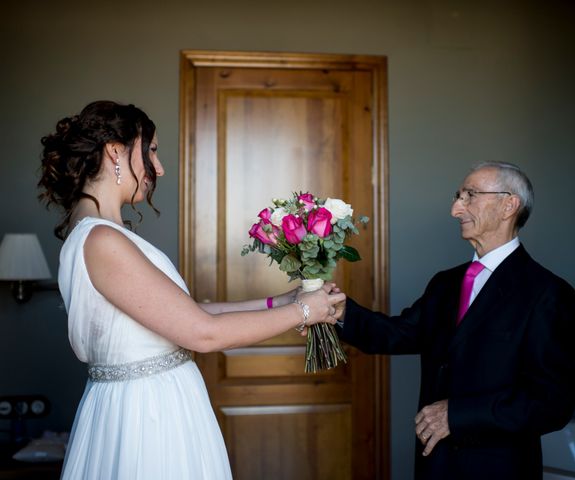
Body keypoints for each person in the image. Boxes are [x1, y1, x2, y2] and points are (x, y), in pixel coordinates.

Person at [37, 100, 345, 479]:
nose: (159, 168)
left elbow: (190, 314)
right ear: (115, 150)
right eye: (150, 150)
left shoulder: (100, 235)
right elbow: (203, 333)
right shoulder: (101, 240)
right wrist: (304, 312)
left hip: (153, 404)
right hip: (147, 418)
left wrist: (282, 300)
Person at [335, 162, 575, 479]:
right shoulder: (444, 284)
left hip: (497, 470)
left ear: (509, 205)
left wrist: (458, 416)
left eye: (470, 196)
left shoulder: (548, 293)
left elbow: (552, 401)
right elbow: (397, 334)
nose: (455, 209)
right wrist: (338, 312)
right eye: (458, 196)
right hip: (434, 466)